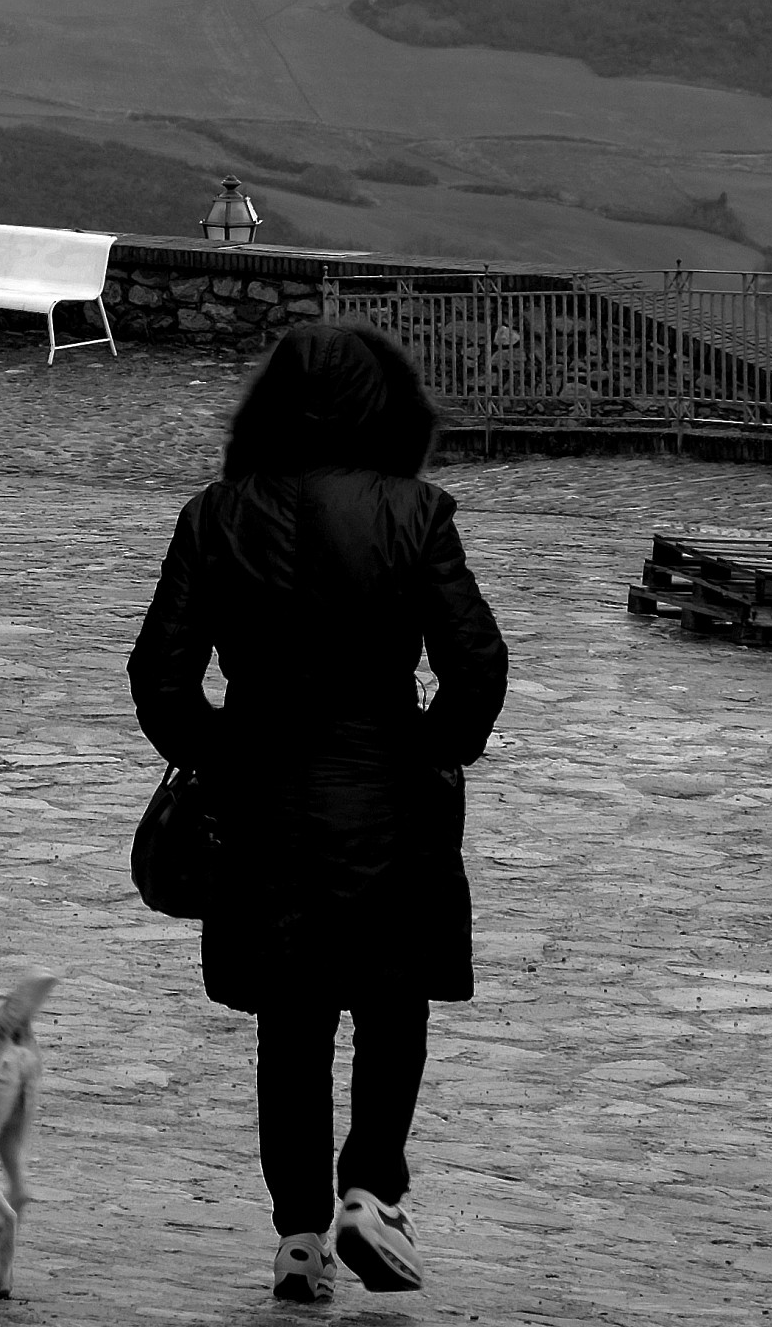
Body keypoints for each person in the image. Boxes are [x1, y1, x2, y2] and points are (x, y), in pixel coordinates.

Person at [127, 320, 509, 1303]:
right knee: (393, 1005)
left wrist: (220, 755)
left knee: (289, 1028)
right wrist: (433, 750)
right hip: (388, 800)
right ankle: (371, 1192)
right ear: (390, 408)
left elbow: (160, 680)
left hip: (262, 809)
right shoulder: (417, 515)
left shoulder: (213, 517)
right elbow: (477, 665)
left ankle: (300, 1236)